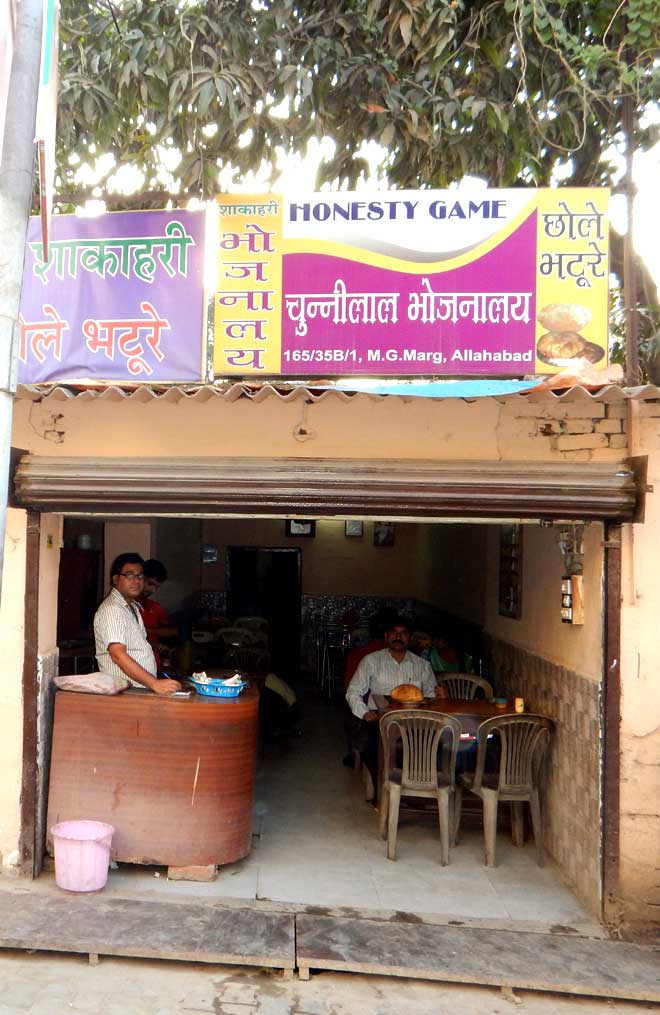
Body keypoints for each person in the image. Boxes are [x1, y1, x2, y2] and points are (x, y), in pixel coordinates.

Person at [345, 616, 444, 795]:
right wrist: (365, 713)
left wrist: (440, 698)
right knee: (366, 741)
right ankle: (383, 791)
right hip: (379, 718)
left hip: (414, 721)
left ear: (410, 638)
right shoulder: (371, 661)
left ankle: (417, 791)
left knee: (439, 743)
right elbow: (352, 691)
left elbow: (430, 698)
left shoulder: (422, 665)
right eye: (394, 633)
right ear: (386, 636)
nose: (398, 637)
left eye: (403, 633)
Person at [93, 552, 181, 695]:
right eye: (129, 575)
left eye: (140, 576)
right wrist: (154, 683)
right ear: (116, 579)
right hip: (125, 693)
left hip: (136, 690)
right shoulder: (112, 610)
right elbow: (118, 655)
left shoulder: (131, 607)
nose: (136, 581)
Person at [138, 558, 178, 671]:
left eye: (157, 587)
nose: (152, 590)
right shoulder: (126, 607)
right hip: (135, 668)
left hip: (153, 666)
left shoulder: (155, 607)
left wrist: (148, 630)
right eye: (150, 583)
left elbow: (173, 631)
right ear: (139, 578)